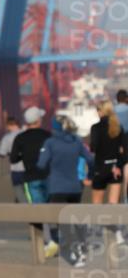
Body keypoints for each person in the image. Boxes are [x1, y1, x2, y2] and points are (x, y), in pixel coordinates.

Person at [38, 114, 94, 267]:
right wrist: (89, 175)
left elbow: (41, 165)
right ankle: (83, 246)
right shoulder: (76, 141)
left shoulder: (50, 143)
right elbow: (90, 159)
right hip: (75, 187)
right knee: (75, 218)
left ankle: (75, 253)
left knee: (63, 222)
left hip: (57, 188)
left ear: (54, 128)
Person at [11, 106, 56, 258]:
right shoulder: (48, 135)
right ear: (38, 120)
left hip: (31, 177)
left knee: (37, 209)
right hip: (49, 176)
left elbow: (13, 159)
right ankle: (55, 239)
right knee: (50, 207)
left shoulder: (20, 138)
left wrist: (24, 154)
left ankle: (49, 242)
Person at [88, 100, 126, 207]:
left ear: (101, 111)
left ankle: (99, 224)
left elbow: (94, 148)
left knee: (97, 206)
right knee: (113, 205)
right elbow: (123, 150)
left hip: (100, 167)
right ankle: (112, 223)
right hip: (115, 168)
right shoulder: (119, 127)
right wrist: (118, 165)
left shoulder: (96, 128)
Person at [0, 117, 26, 204]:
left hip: (16, 169)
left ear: (8, 125)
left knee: (20, 194)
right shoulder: (26, 134)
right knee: (30, 193)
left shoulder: (7, 137)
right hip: (29, 168)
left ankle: (27, 212)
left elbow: (1, 154)